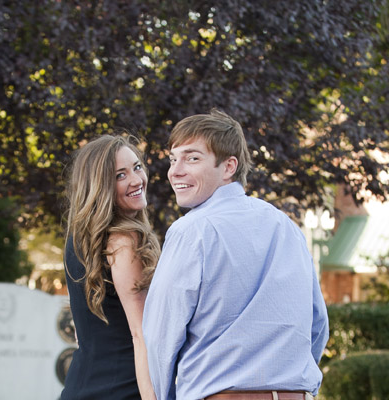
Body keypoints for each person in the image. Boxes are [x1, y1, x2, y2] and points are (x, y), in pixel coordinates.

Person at [143, 110, 329, 400]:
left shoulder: (191, 231)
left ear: (229, 166)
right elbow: (317, 324)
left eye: (192, 158)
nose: (174, 171)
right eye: (173, 159)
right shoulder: (286, 227)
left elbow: (160, 337)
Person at [62, 134, 161, 400]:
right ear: (99, 186)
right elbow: (142, 336)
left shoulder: (79, 240)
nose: (136, 180)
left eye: (137, 167)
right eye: (120, 175)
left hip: (82, 385)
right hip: (124, 388)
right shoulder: (124, 241)